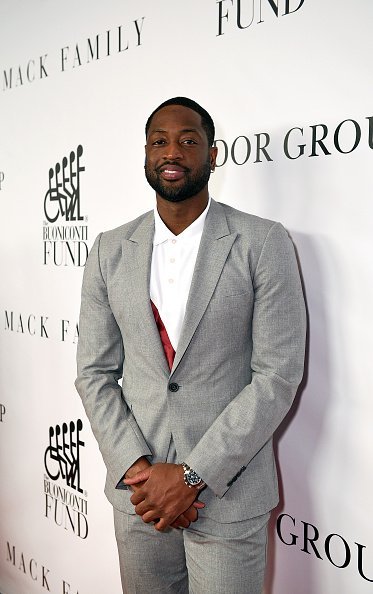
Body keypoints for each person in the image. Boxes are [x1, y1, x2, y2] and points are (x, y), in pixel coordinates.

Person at [75, 96, 306, 594]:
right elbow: (93, 372)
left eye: (187, 140)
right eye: (159, 141)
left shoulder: (262, 241)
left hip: (227, 498)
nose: (172, 152)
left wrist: (192, 475)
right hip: (139, 500)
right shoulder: (110, 250)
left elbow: (277, 376)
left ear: (213, 153)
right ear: (145, 155)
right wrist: (137, 470)